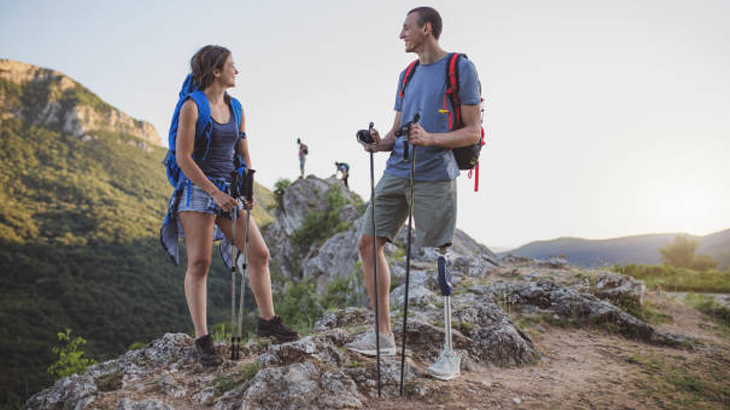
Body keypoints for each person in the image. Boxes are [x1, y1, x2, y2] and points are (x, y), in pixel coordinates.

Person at [345, 7, 481, 381]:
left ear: (426, 28)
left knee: (439, 256)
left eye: (406, 27)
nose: (400, 34)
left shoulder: (460, 68)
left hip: (435, 174)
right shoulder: (406, 74)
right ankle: (383, 335)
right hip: (398, 171)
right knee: (367, 243)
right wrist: (378, 143)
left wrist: (432, 139)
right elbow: (396, 132)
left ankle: (449, 353)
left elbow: (473, 132)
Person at [160, 45, 298, 367]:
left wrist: (246, 188)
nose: (237, 71)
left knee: (259, 253)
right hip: (196, 191)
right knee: (200, 263)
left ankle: (268, 322)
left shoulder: (236, 108)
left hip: (228, 191)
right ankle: (203, 339)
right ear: (216, 71)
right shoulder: (192, 108)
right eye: (232, 66)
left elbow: (244, 152)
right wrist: (213, 193)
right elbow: (184, 158)